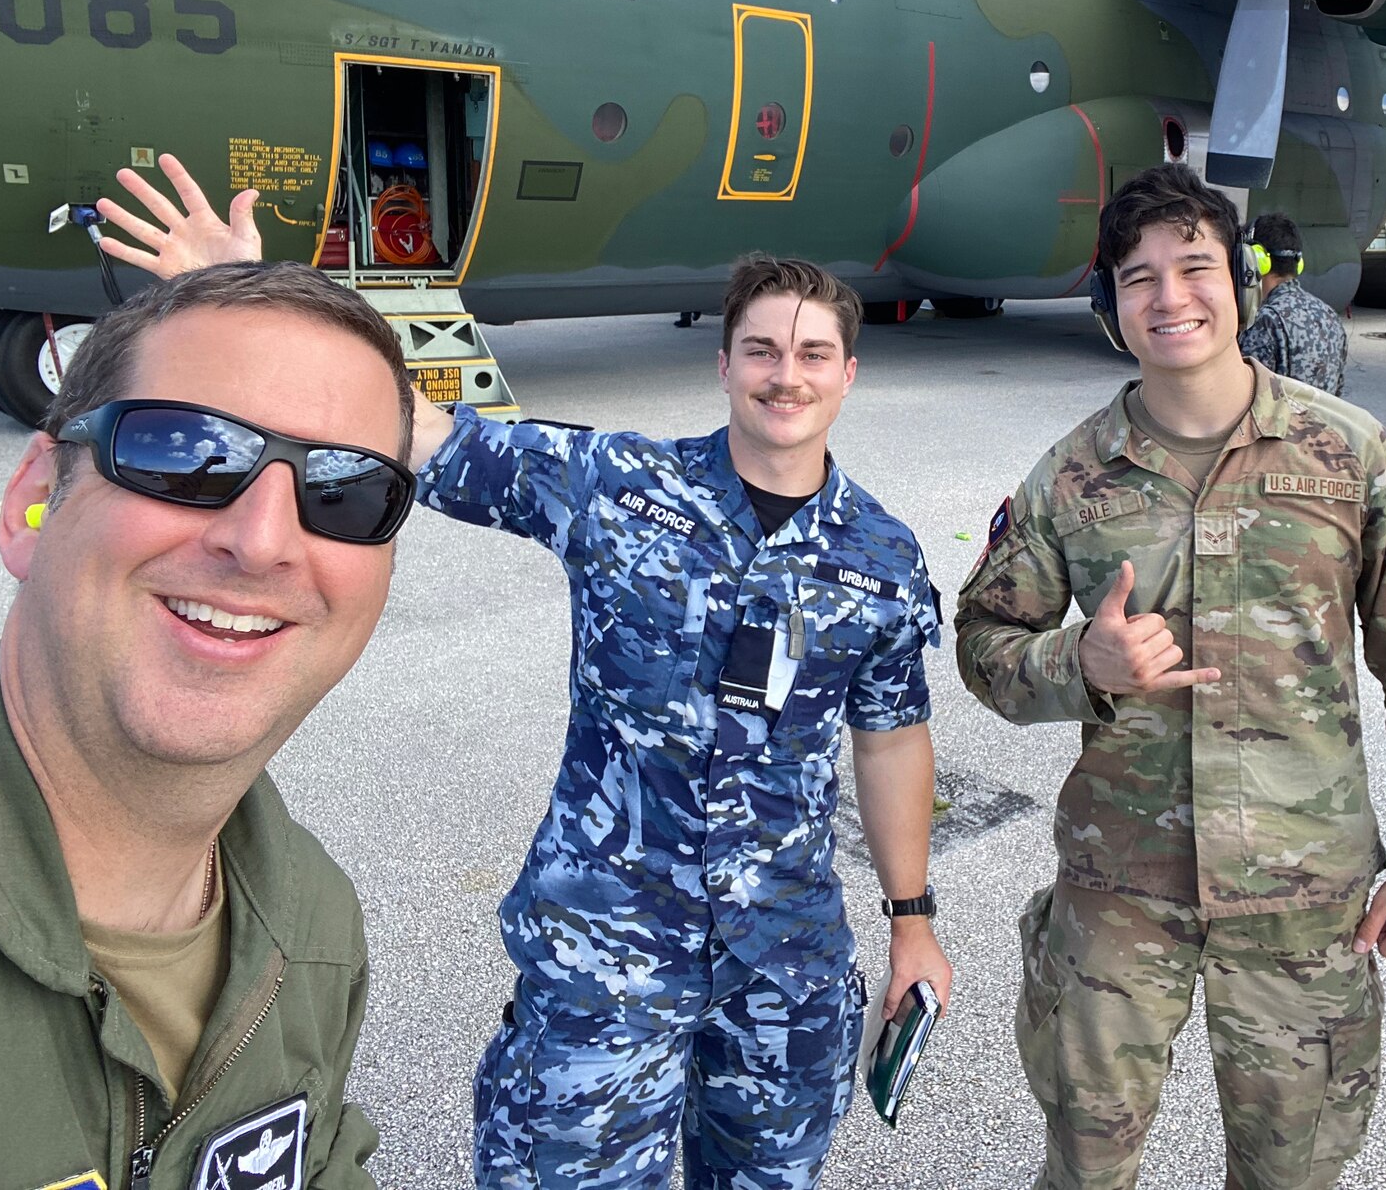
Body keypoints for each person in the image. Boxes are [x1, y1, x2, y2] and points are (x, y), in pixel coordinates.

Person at [96, 157, 953, 1190]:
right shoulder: (615, 487)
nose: (787, 373)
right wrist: (253, 293)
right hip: (605, 960)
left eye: (814, 353)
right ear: (722, 365)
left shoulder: (881, 556)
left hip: (785, 966)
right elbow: (416, 430)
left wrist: (912, 924)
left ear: (847, 374)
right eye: (761, 349)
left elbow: (892, 734)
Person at [954, 164, 1386, 1190]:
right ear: (1111, 304)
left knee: (1291, 1171)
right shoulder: (1070, 476)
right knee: (1085, 1166)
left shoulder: (1353, 457)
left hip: (1301, 897)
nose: (1169, 296)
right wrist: (1081, 663)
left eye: (1193, 267)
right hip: (1117, 895)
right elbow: (983, 645)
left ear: (1239, 283)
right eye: (1137, 276)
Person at [0, 259, 407, 1187]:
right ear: (34, 500)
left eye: (345, 492)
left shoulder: (309, 925)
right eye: (186, 451)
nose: (261, 539)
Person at [1235, 211, 1348, 394]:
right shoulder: (1328, 314)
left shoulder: (1266, 320)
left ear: (1255, 259)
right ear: (1299, 262)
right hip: (1321, 422)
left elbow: (1246, 394)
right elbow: (1338, 388)